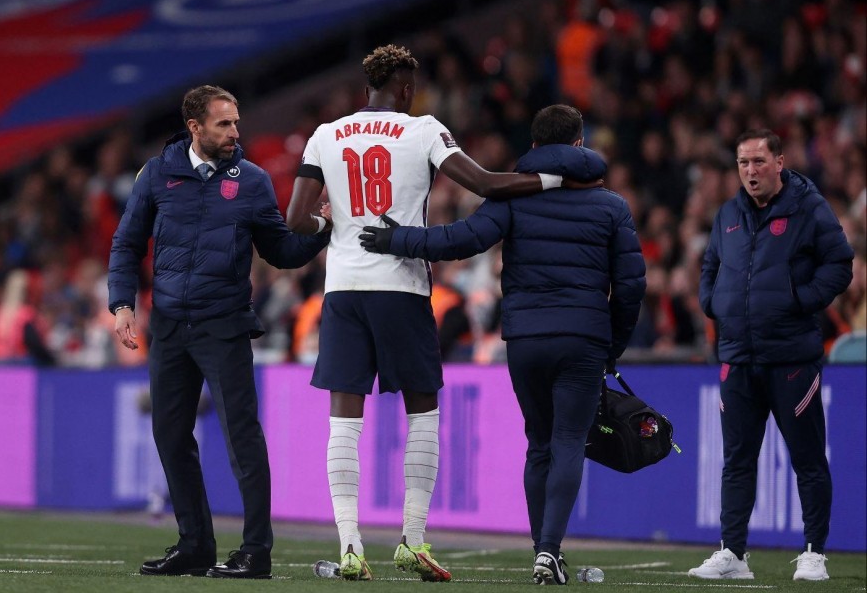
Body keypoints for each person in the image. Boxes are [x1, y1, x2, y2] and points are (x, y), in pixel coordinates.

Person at [284, 44, 582, 582]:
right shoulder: (422, 129)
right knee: (422, 412)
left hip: (344, 289)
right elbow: (487, 185)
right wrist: (557, 180)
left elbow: (296, 217)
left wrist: (334, 228)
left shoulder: (325, 134)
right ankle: (412, 541)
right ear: (403, 88)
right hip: (401, 287)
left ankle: (350, 546)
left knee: (344, 419)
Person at [359, 103, 646, 585]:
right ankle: (550, 551)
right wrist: (611, 344)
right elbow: (632, 287)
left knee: (538, 443)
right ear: (580, 144)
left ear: (534, 146)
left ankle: (541, 550)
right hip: (583, 338)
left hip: (526, 339)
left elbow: (460, 240)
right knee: (570, 440)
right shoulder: (611, 206)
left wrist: (399, 239)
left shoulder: (513, 198)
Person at [108, 85, 329, 579]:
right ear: (195, 128)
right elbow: (125, 244)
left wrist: (320, 229)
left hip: (223, 326)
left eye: (236, 122)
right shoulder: (157, 173)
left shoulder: (250, 180)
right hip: (167, 328)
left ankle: (256, 551)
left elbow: (280, 251)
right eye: (224, 124)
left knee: (242, 438)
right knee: (169, 434)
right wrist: (122, 304)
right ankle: (195, 545)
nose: (235, 132)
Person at [690, 129, 853, 582]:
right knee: (737, 460)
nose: (750, 171)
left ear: (779, 162)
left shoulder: (809, 208)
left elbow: (840, 263)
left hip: (791, 360)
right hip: (737, 358)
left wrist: (800, 299)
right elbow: (710, 266)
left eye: (759, 161)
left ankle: (814, 552)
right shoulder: (728, 214)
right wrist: (712, 303)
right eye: (743, 163)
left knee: (807, 459)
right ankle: (733, 554)